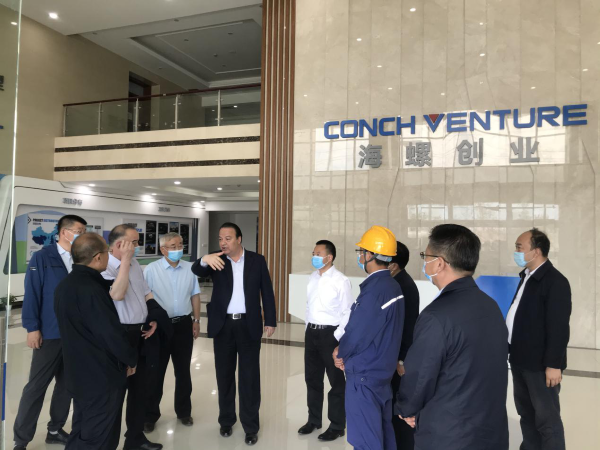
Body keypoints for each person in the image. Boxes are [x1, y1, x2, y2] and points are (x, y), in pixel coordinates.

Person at [395, 224, 509, 450]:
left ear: (439, 263)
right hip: (490, 430)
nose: (425, 263)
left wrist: (407, 408)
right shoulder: (490, 306)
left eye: (426, 257)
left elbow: (420, 376)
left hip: (449, 435)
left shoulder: (436, 316)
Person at [191, 222, 276, 446]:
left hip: (249, 325)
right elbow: (197, 270)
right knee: (224, 376)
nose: (223, 243)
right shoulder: (216, 260)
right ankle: (226, 421)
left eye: (227, 238)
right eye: (220, 239)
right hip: (223, 326)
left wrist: (270, 320)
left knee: (249, 378)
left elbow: (267, 291)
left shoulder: (257, 260)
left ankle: (250, 426)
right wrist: (204, 259)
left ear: (239, 239)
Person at [54, 233, 138, 450]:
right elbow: (110, 333)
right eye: (107, 253)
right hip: (101, 377)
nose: (109, 256)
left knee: (82, 430)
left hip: (78, 373)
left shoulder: (65, 285)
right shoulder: (91, 290)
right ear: (98, 257)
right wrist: (130, 359)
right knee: (100, 438)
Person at [13, 215, 87, 450]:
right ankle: (21, 440)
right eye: (79, 231)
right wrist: (32, 328)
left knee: (67, 385)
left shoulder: (81, 259)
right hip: (50, 333)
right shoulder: (43, 257)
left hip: (75, 335)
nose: (82, 235)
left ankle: (55, 430)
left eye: (84, 231)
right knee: (36, 387)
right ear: (64, 232)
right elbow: (32, 293)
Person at [333, 225, 404, 450]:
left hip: (364, 376)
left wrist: (340, 352)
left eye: (362, 252)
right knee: (382, 434)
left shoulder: (375, 290)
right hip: (380, 374)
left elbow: (357, 333)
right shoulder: (392, 285)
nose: (361, 256)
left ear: (371, 255)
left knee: (366, 441)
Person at [507, 228, 571, 450]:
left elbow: (559, 328)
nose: (516, 252)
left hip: (540, 365)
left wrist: (553, 364)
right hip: (520, 359)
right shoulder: (527, 276)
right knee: (526, 414)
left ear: (536, 251)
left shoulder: (555, 281)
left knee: (547, 419)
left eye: (519, 247)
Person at [102, 224, 162, 450]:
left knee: (139, 389)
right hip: (121, 335)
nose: (138, 247)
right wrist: (125, 261)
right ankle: (109, 442)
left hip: (141, 332)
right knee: (117, 393)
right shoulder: (104, 266)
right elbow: (117, 295)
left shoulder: (135, 264)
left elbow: (146, 292)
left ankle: (135, 438)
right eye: (134, 242)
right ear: (119, 244)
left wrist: (153, 314)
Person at [143, 232, 201, 431]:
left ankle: (184, 412)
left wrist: (196, 320)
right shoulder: (151, 269)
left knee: (183, 371)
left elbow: (195, 295)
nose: (178, 249)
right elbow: (145, 298)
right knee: (156, 372)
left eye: (180, 245)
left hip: (183, 324)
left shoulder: (190, 268)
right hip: (160, 327)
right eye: (173, 246)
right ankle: (150, 415)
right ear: (163, 249)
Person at [298, 240, 353, 442]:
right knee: (312, 379)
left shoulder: (341, 281)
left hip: (330, 335)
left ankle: (337, 425)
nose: (314, 257)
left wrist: (336, 337)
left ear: (329, 257)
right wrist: (308, 328)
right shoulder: (313, 277)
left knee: (336, 382)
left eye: (318, 254)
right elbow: (308, 306)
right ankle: (313, 420)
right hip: (312, 333)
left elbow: (348, 312)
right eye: (313, 253)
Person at [389, 241, 419, 450]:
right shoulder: (398, 282)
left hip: (399, 358)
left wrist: (401, 359)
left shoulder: (403, 286)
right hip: (395, 355)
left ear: (393, 265)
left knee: (400, 408)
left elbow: (408, 327)